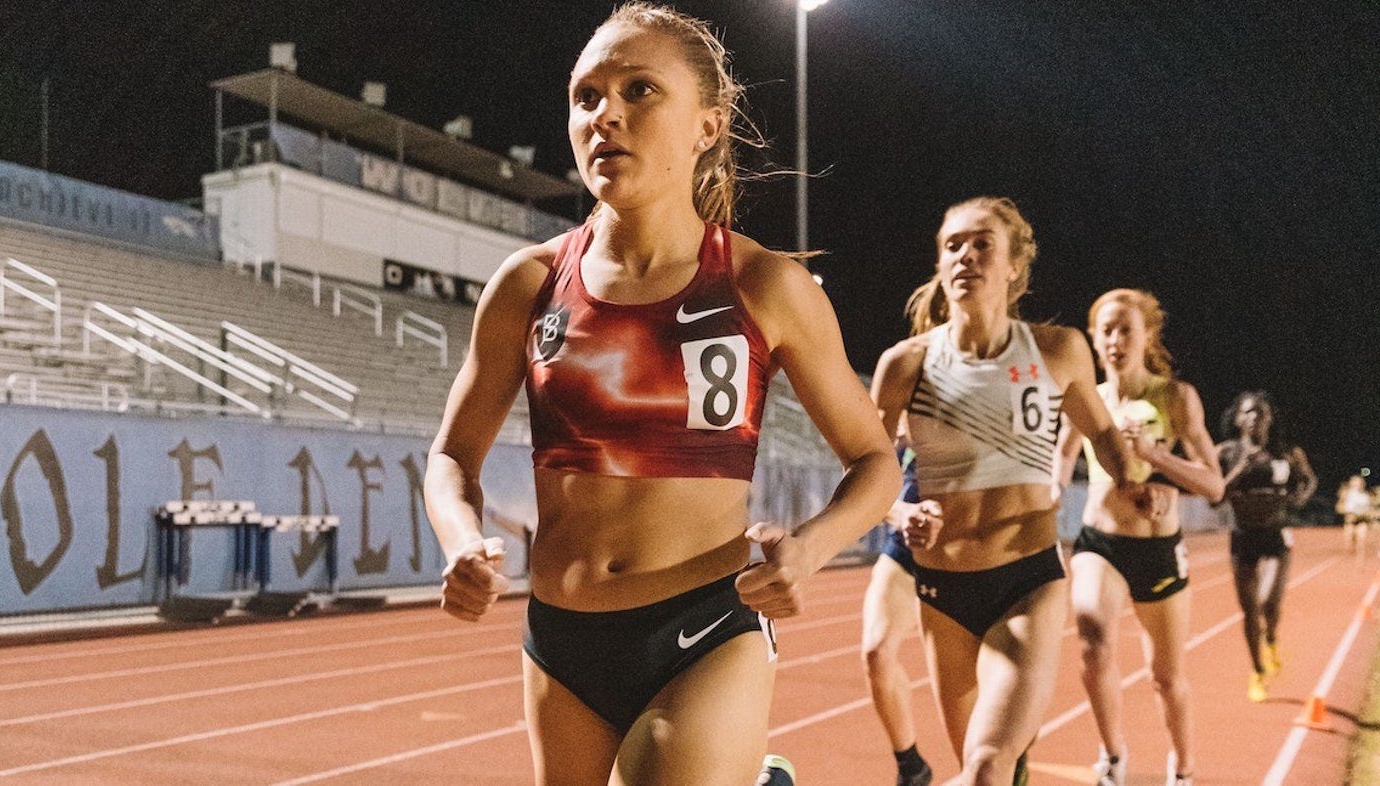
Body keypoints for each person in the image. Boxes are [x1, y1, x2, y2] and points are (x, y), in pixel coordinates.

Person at [424, 4, 901, 784]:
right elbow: (452, 456)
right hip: (562, 638)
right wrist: (459, 541)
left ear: (706, 128)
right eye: (586, 96)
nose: (605, 114)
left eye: (639, 90)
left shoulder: (763, 285)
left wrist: (811, 549)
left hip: (705, 625)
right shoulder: (529, 284)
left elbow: (873, 459)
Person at [869, 196, 1147, 785]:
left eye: (982, 244)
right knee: (988, 766)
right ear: (939, 265)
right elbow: (867, 471)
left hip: (1027, 581)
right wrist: (899, 512)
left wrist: (1131, 479)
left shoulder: (1057, 350)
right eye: (953, 245)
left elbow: (1101, 433)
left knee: (986, 766)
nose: (966, 256)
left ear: (1014, 265)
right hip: (941, 588)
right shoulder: (906, 364)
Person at [1054, 289, 1223, 786]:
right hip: (1098, 541)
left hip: (1157, 549)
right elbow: (1064, 454)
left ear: (1148, 336)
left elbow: (1213, 483)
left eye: (1126, 328)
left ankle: (1183, 766)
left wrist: (1156, 459)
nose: (1115, 339)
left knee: (1166, 678)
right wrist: (1051, 489)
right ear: (1093, 337)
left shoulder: (1175, 397)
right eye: (1106, 329)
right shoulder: (1086, 396)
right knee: (1092, 644)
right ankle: (1113, 756)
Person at [1216, 391, 1317, 702]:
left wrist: (1297, 500)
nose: (1254, 417)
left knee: (1267, 604)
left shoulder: (1287, 454)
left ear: (1270, 418)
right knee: (1248, 612)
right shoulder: (1225, 453)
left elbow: (1309, 481)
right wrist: (1239, 468)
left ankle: (1271, 638)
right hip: (1242, 536)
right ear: (1237, 419)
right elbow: (1213, 496)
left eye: (1261, 412)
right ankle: (1258, 671)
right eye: (1248, 412)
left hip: (1275, 535)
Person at [861, 435, 937, 786]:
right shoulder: (899, 426)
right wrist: (902, 512)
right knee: (877, 652)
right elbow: (866, 489)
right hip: (904, 553)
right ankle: (911, 767)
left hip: (969, 560)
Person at [1337, 474, 1371, 558]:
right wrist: (1347, 511)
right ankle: (1348, 557)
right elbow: (1339, 507)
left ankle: (1360, 559)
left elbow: (1368, 509)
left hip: (1361, 519)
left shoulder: (1365, 496)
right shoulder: (1346, 494)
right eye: (1353, 482)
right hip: (1350, 520)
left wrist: (1365, 513)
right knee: (1349, 538)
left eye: (1357, 482)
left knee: (1361, 538)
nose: (1355, 484)